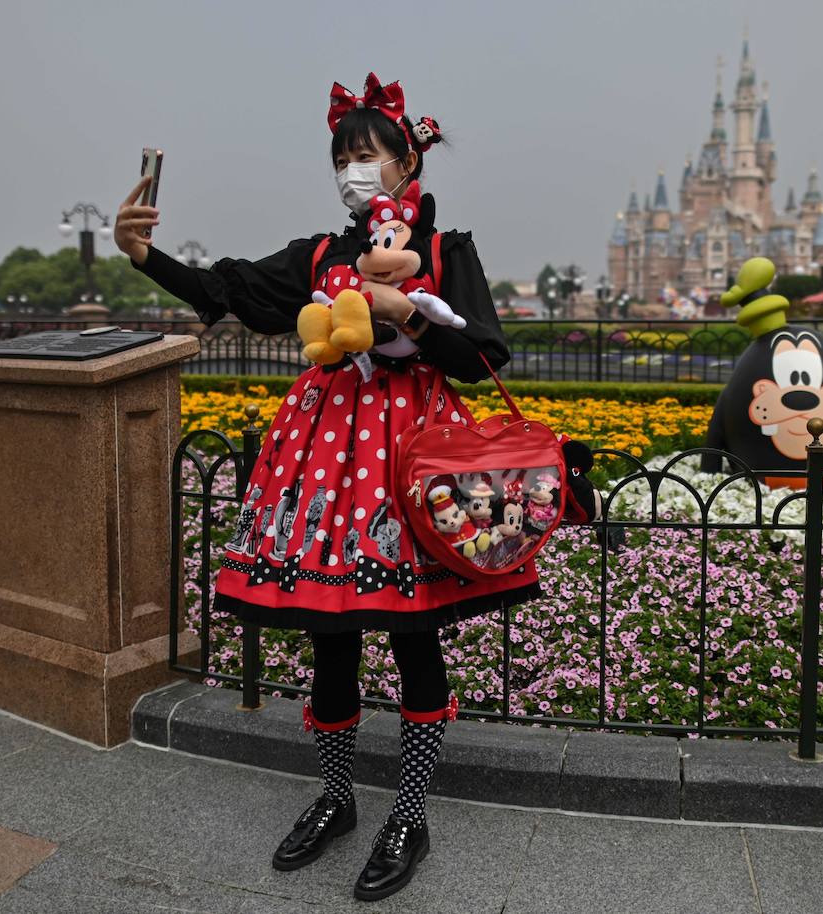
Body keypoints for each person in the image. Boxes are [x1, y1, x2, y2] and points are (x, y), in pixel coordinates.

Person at [115, 70, 541, 903]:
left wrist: (409, 312)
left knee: (416, 638)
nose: (352, 167)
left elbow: (484, 352)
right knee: (331, 637)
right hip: (326, 468)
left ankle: (410, 812)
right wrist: (143, 254)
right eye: (341, 155)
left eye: (367, 152)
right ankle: (339, 799)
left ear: (406, 158)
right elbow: (226, 289)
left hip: (411, 465)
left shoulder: (446, 250)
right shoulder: (319, 254)